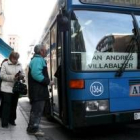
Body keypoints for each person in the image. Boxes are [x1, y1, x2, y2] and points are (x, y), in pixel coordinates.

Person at [27, 44, 53, 136]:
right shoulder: (38, 60)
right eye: (45, 50)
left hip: (37, 91)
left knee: (36, 110)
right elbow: (36, 74)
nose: (46, 51)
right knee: (37, 111)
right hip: (38, 91)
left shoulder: (37, 59)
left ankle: (32, 128)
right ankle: (33, 129)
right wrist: (48, 81)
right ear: (41, 51)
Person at [0, 52, 24, 128]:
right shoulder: (5, 64)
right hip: (6, 88)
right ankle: (4, 122)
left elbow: (23, 74)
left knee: (14, 105)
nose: (15, 60)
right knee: (6, 105)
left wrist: (21, 76)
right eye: (14, 58)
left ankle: (12, 120)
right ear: (11, 57)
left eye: (17, 59)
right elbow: (2, 76)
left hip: (15, 88)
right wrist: (13, 77)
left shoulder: (19, 64)